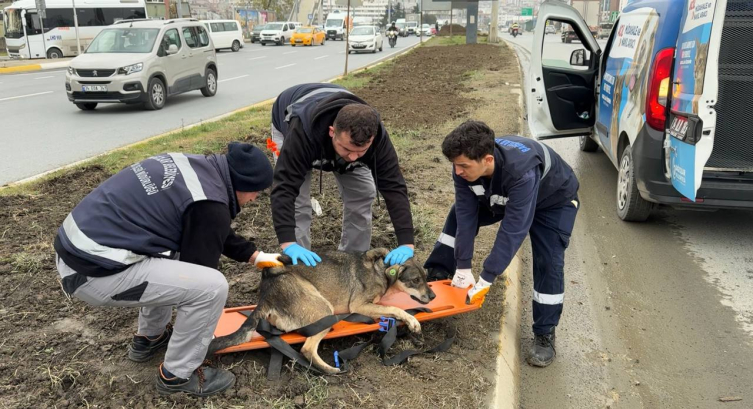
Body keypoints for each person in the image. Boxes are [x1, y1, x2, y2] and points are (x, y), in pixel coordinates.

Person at [53, 143, 283, 396]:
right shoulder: (210, 205)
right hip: (94, 273)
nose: (254, 199)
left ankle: (150, 338)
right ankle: (178, 375)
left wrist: (255, 256)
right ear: (243, 185)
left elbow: (205, 223)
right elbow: (199, 268)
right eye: (256, 193)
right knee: (211, 287)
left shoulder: (195, 169)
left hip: (79, 249)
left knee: (170, 251)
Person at [424, 121, 580, 368]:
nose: (458, 171)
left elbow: (513, 230)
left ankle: (544, 332)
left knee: (548, 260)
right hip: (501, 193)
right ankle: (440, 271)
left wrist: (487, 276)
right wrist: (464, 267)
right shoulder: (464, 168)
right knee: (457, 215)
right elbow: (466, 215)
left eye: (463, 166)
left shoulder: (522, 172)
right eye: (454, 165)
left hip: (552, 201)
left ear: (487, 159)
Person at [269, 83, 414, 267]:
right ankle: (299, 267)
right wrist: (288, 242)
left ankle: (353, 262)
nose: (353, 157)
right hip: (288, 124)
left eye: (361, 151)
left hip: (334, 138)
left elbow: (394, 187)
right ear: (332, 132)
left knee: (363, 192)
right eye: (347, 148)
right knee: (298, 200)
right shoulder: (301, 133)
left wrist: (406, 241)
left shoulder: (377, 138)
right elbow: (284, 188)